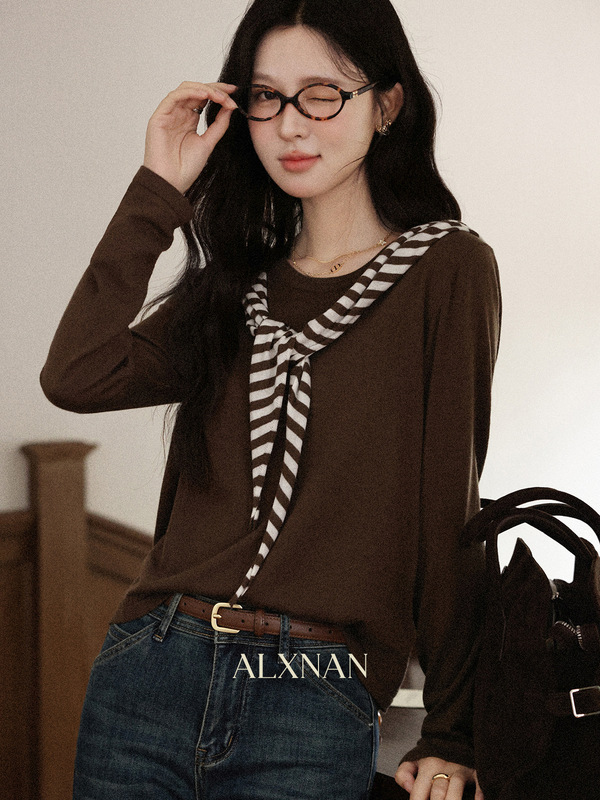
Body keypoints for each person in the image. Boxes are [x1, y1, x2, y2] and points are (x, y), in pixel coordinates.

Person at [40, 0, 500, 798]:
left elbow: (447, 509)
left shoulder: (446, 270)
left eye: (323, 95)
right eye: (265, 96)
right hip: (151, 667)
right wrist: (159, 188)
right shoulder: (237, 284)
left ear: (387, 104)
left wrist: (453, 730)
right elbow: (77, 374)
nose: (290, 126)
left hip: (310, 689)